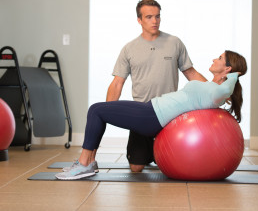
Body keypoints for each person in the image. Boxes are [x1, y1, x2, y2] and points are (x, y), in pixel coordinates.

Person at [55, 50, 247, 180]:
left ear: (228, 69)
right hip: (151, 109)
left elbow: (225, 91)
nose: (214, 59)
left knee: (96, 110)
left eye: (220, 58)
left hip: (153, 116)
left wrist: (233, 76)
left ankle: (84, 164)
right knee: (98, 110)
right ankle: (89, 162)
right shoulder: (211, 88)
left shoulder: (216, 92)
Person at [106, 0, 207, 173]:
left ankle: (157, 154)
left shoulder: (174, 42)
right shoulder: (129, 49)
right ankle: (149, 154)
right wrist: (107, 112)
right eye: (149, 17)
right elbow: (117, 83)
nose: (155, 21)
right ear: (139, 20)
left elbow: (191, 73)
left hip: (169, 112)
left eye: (158, 17)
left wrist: (212, 90)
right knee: (136, 168)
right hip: (141, 114)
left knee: (173, 166)